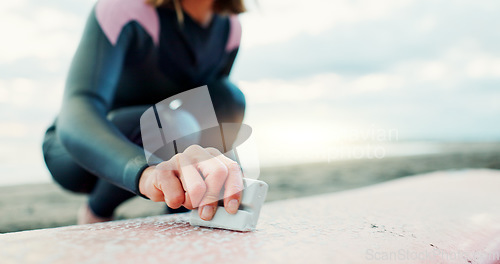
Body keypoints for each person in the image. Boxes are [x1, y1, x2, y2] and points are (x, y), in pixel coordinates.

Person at [42, 0, 247, 224]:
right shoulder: (122, 9)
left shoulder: (230, 28)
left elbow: (211, 110)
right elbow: (78, 110)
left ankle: (185, 207)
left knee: (229, 98)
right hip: (78, 151)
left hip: (164, 134)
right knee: (167, 124)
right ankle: (97, 212)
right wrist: (145, 174)